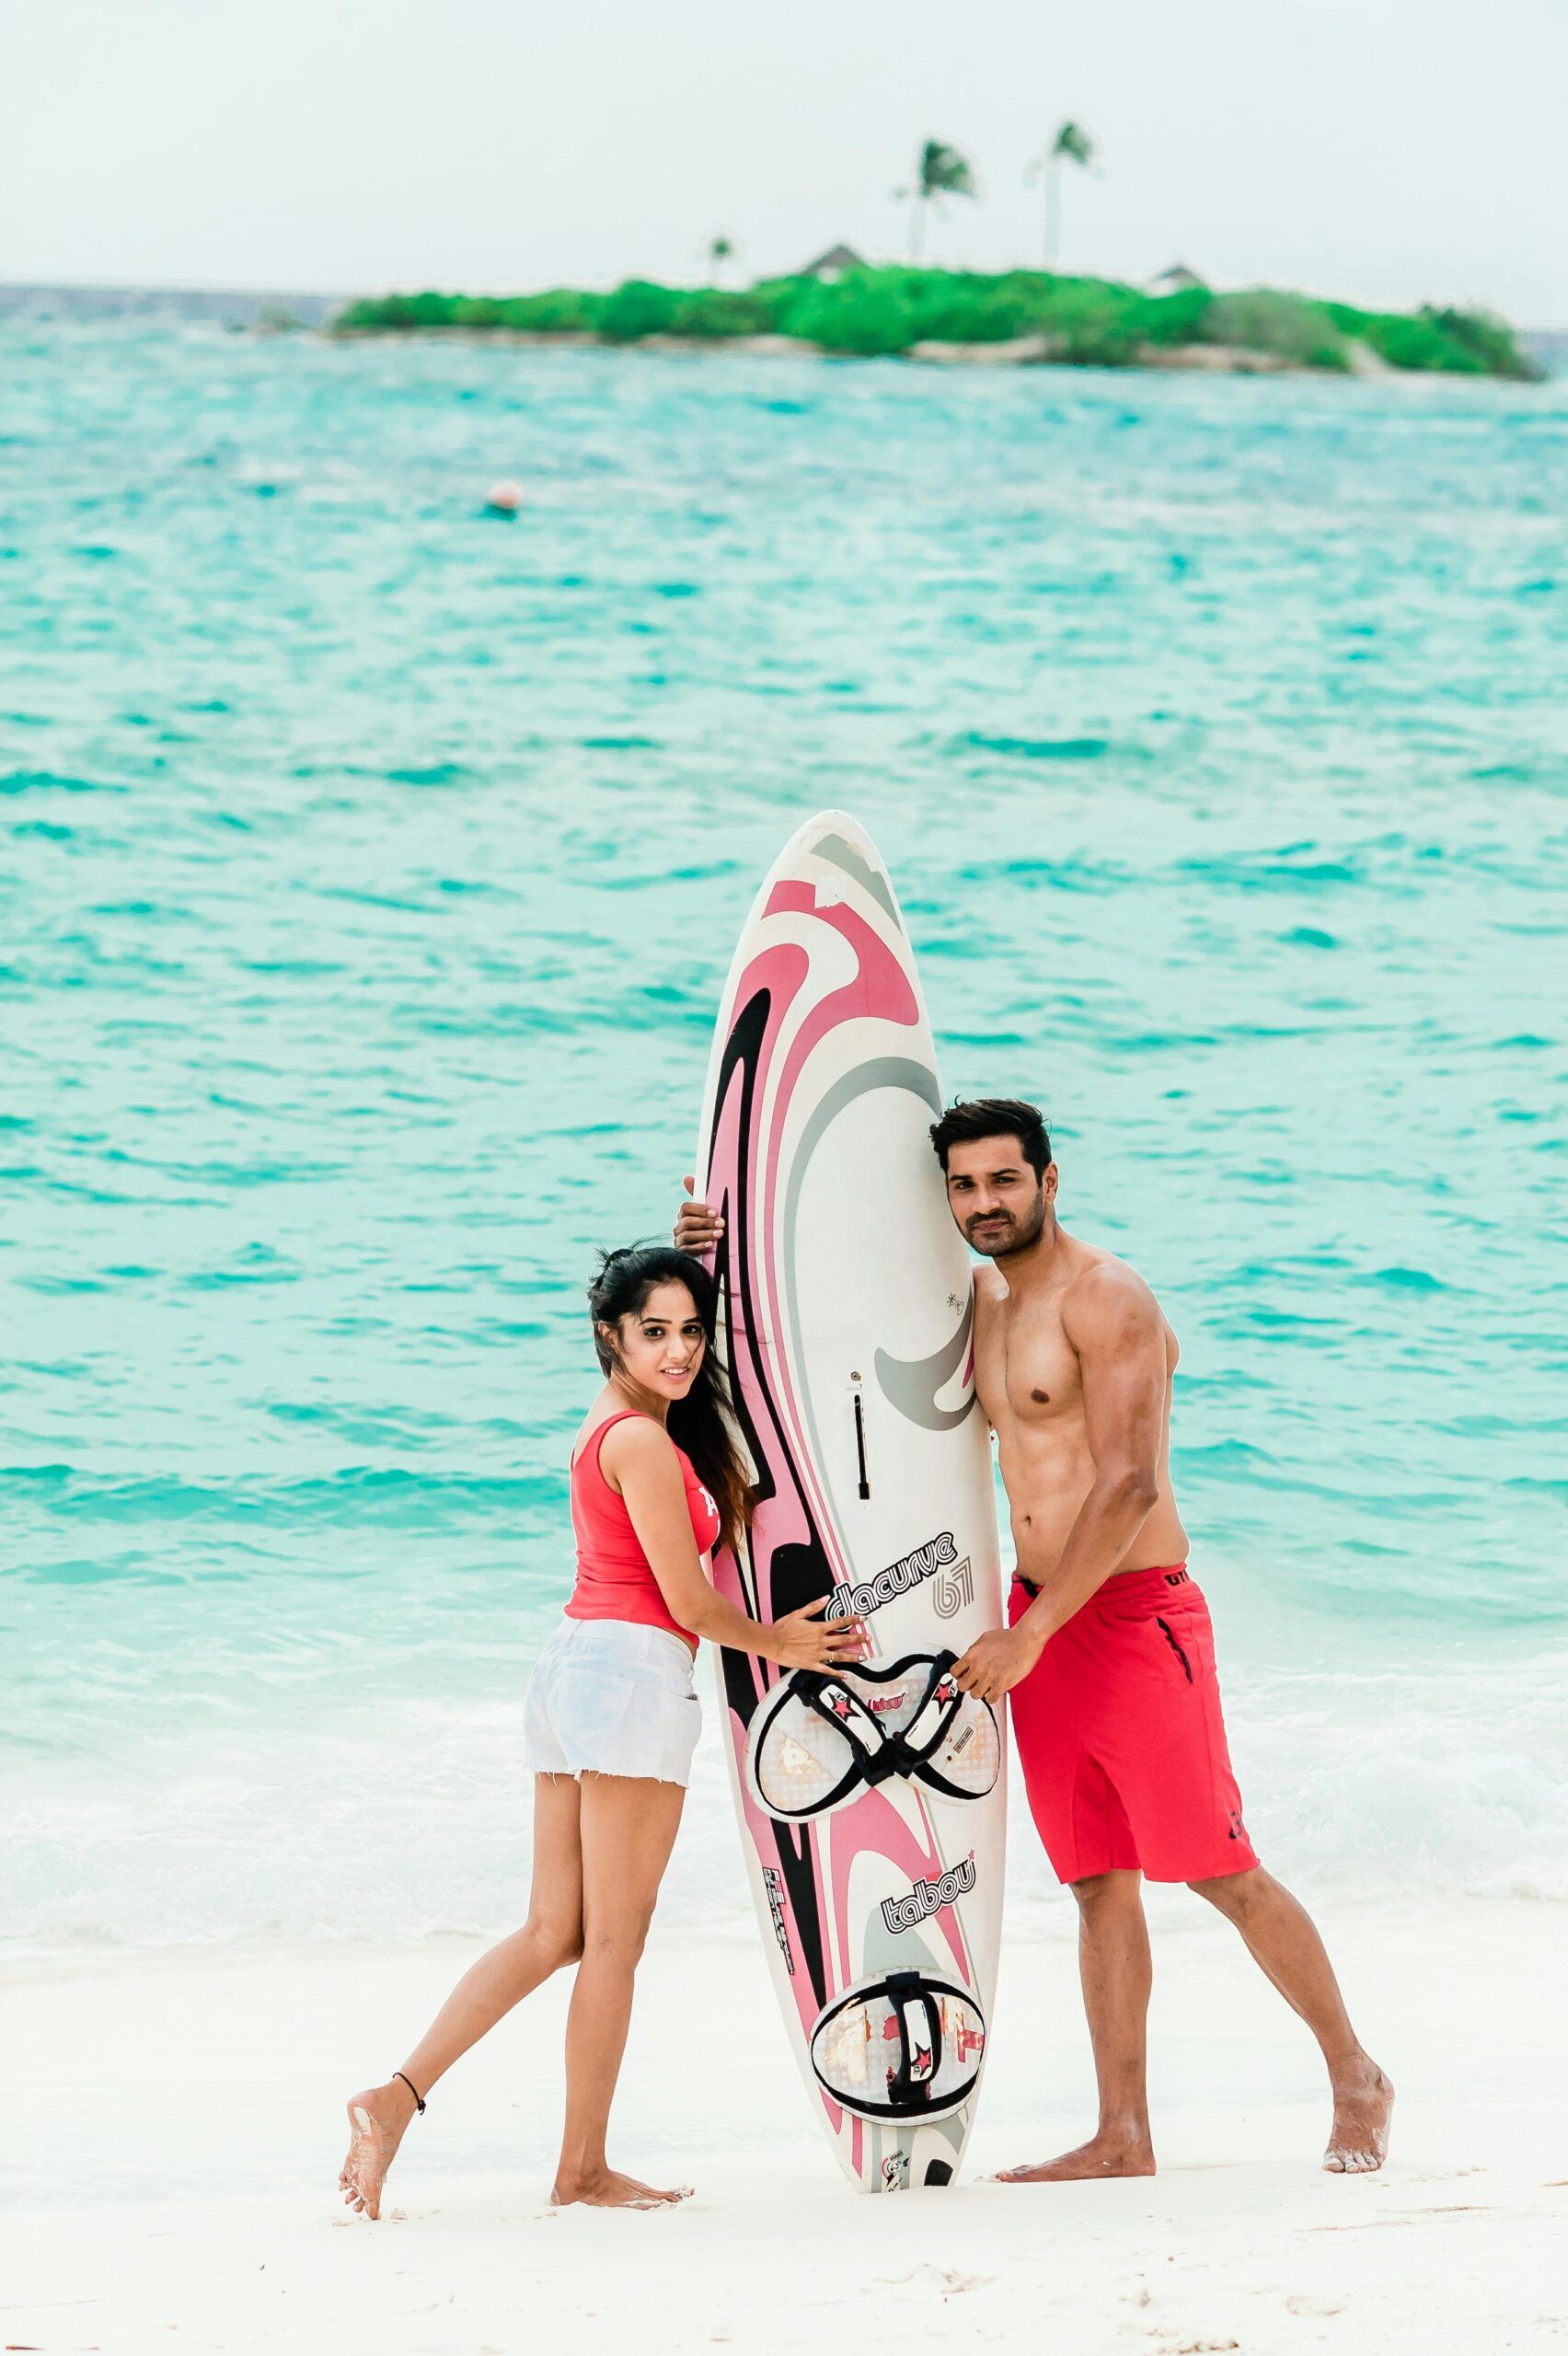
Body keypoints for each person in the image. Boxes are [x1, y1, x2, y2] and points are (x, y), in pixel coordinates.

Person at [676, 1101, 1392, 2183]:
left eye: (1002, 1182)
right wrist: (716, 1256)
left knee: (1215, 1864)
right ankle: (1124, 2133)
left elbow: (1131, 1479)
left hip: (1133, 1613)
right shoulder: (981, 1301)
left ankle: (1356, 2073)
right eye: (963, 1188)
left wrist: (1031, 1636)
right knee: (1098, 1879)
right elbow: (826, 1329)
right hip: (1037, 1616)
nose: (983, 1205)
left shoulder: (1109, 1299)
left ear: (1050, 1180)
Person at [339, 1243, 866, 2218]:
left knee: (556, 1931)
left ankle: (395, 2100)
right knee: (612, 1942)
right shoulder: (641, 1443)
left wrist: (697, 1237)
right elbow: (689, 1603)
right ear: (608, 1337)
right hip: (630, 1675)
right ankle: (581, 2168)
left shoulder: (624, 1425)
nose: (678, 1352)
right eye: (654, 1332)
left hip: (576, 1666)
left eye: (691, 1331)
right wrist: (784, 1643)